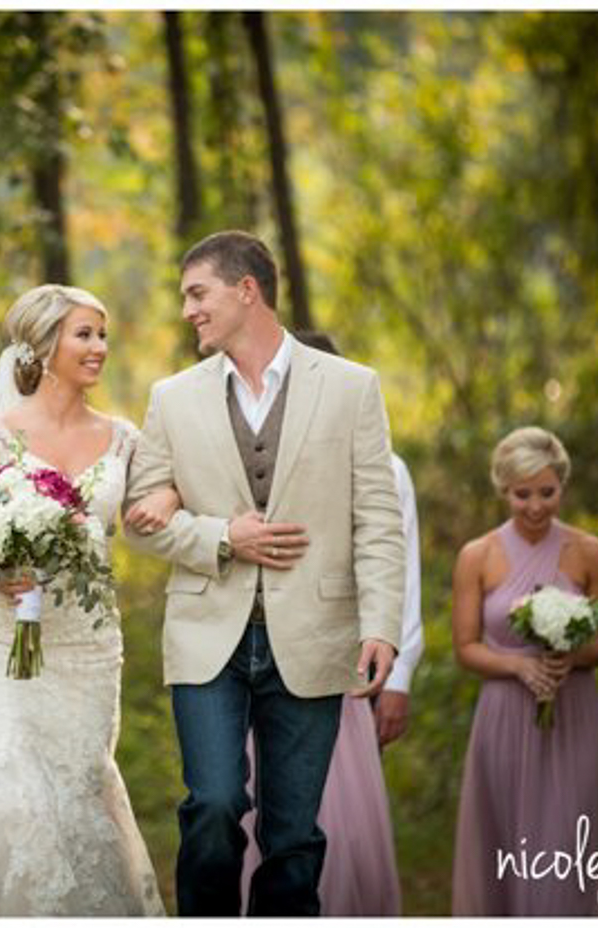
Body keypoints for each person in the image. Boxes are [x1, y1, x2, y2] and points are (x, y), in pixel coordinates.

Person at [123, 231, 406, 916]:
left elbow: (378, 518)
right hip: (206, 637)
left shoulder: (351, 387)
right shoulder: (172, 397)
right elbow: (140, 520)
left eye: (198, 293)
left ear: (247, 290)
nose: (187, 309)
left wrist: (383, 628)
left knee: (292, 836)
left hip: (314, 632)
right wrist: (224, 536)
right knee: (215, 807)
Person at [0, 286, 173, 915]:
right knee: (9, 782)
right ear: (44, 347)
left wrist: (165, 505)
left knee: (76, 787)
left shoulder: (123, 438)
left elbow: (158, 500)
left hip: (86, 643)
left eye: (102, 334)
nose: (99, 347)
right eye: (84, 335)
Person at [239, 329, 424, 915]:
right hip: (265, 663)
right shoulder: (258, 461)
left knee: (345, 815)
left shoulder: (386, 469)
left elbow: (402, 574)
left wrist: (399, 675)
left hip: (350, 668)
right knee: (269, 809)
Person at [448, 427, 598, 915]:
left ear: (563, 487)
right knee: (510, 841)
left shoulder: (589, 551)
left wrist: (569, 657)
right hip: (504, 717)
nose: (535, 506)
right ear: (503, 490)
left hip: (574, 714)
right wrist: (518, 665)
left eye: (547, 493)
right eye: (522, 494)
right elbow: (466, 647)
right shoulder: (477, 556)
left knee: (568, 835)